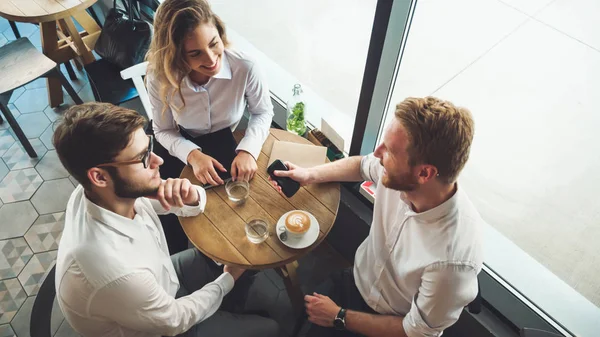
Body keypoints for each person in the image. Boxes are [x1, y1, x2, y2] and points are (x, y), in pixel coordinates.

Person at [54, 103, 279, 337]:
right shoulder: (114, 271)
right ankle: (227, 308)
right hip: (162, 327)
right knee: (271, 328)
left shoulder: (100, 193)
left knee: (246, 257)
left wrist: (191, 196)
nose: (158, 161)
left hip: (163, 277)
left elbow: (182, 202)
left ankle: (229, 309)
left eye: (149, 145)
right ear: (99, 176)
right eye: (142, 158)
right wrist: (228, 278)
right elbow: (175, 320)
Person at [270, 97, 484, 336]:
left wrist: (339, 316)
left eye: (389, 151)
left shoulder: (452, 263)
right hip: (356, 280)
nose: (377, 153)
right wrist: (309, 175)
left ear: (424, 173)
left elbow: (414, 331)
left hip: (389, 323)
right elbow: (361, 165)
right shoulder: (400, 172)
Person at [146, 0, 274, 253]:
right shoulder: (159, 78)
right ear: (175, 55)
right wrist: (192, 155)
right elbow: (162, 130)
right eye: (195, 54)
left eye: (214, 43)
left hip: (227, 141)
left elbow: (262, 111)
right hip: (177, 145)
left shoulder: (245, 66)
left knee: (230, 216)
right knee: (174, 222)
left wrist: (248, 150)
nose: (212, 59)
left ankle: (221, 265)